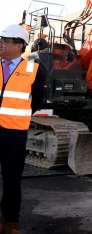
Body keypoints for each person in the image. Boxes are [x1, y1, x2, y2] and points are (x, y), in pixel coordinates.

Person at [0, 24, 45, 234]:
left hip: (14, 134)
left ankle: (10, 222)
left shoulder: (34, 69)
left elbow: (36, 101)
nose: (1, 44)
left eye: (5, 41)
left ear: (19, 46)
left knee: (11, 179)